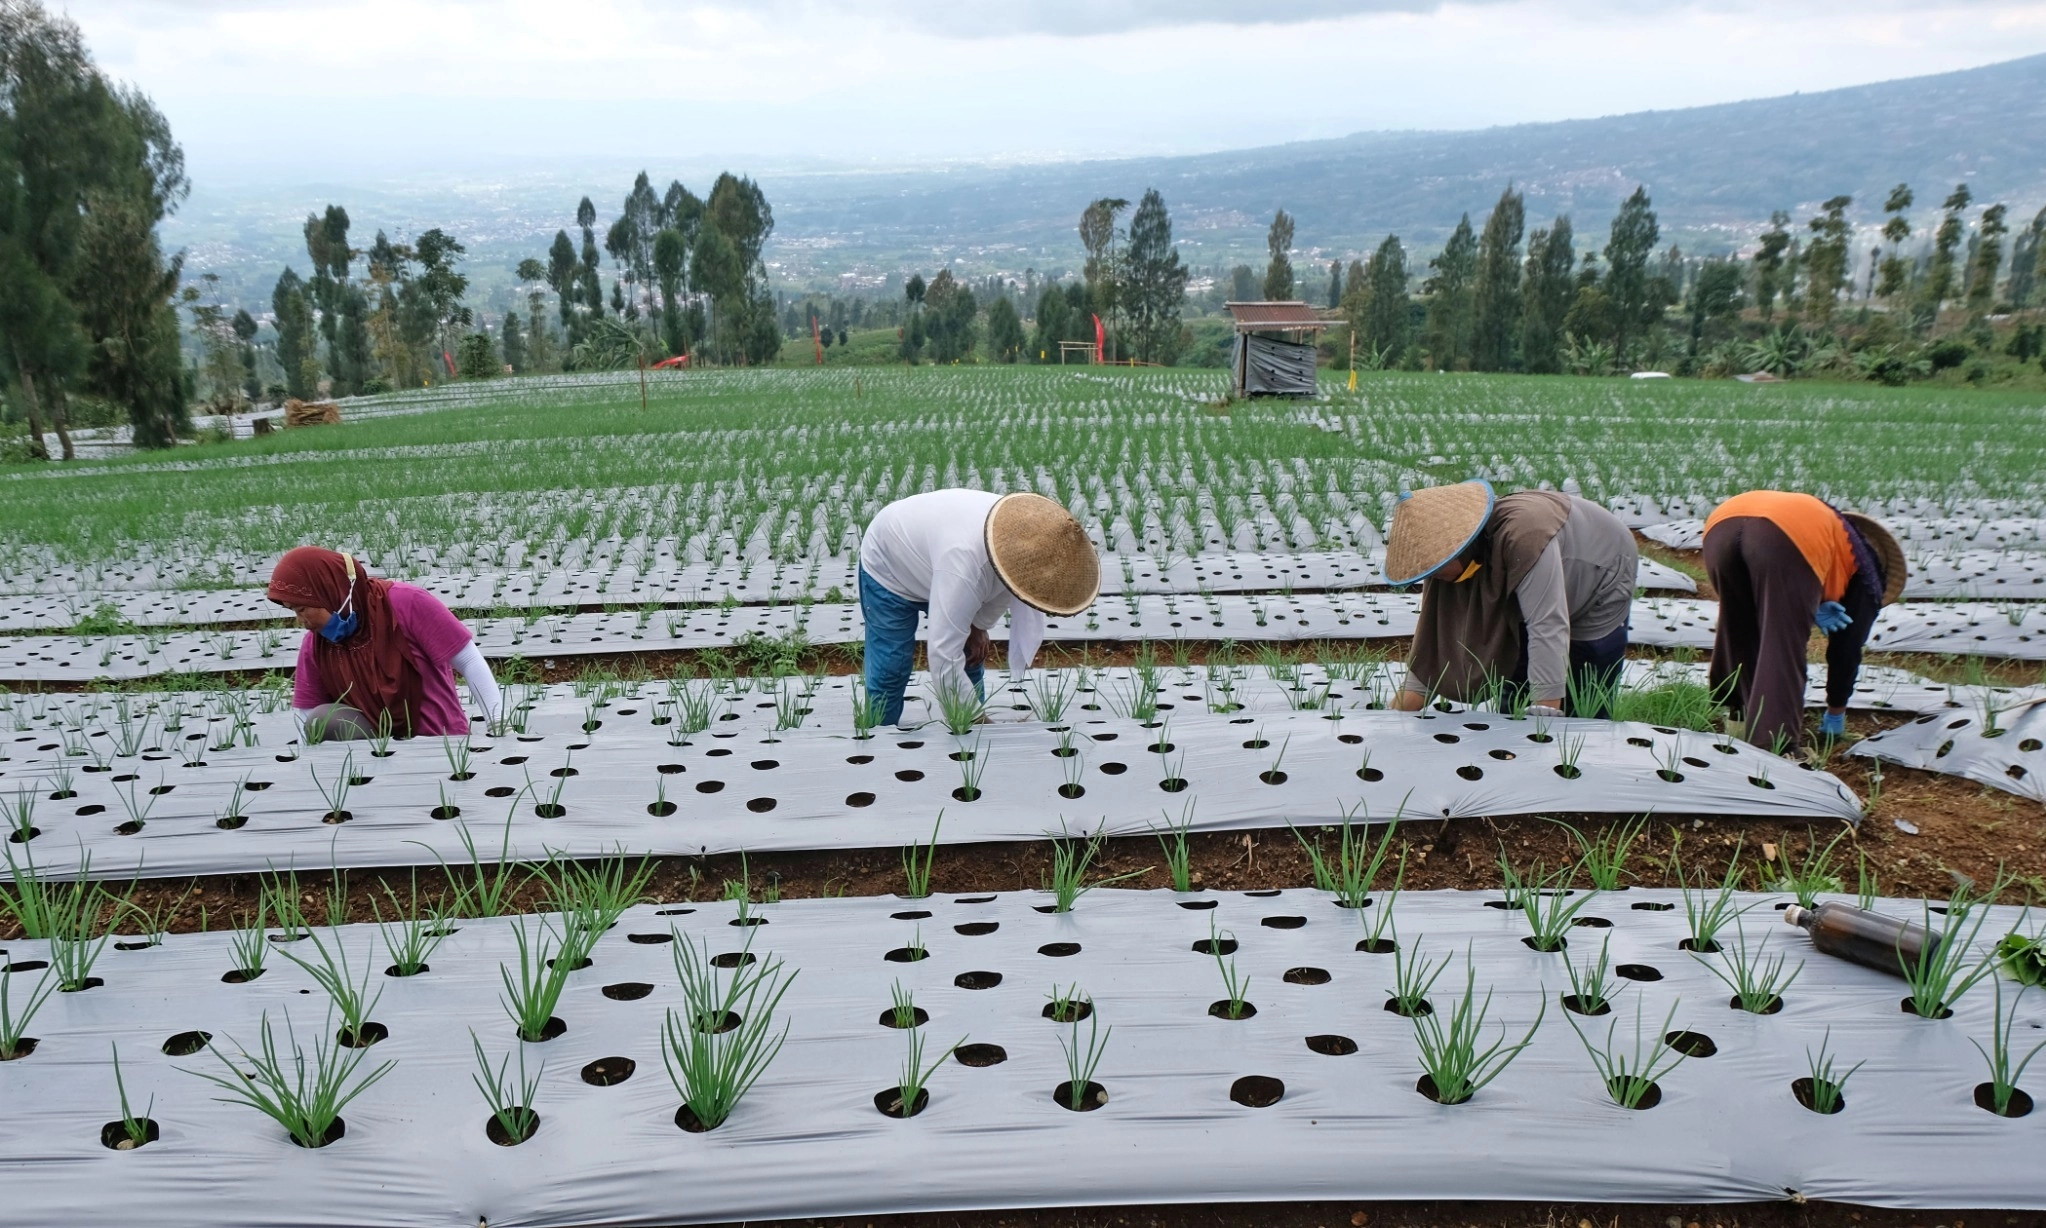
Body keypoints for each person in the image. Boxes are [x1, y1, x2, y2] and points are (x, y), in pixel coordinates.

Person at [1386, 479, 1638, 716]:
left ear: (1459, 549)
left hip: (1601, 567)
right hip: (1535, 567)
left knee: (1584, 685)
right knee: (1516, 687)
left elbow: (1547, 624)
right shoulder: (1446, 565)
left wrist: (1543, 724)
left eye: (1435, 570)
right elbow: (1436, 646)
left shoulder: (1524, 539)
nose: (1431, 577)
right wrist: (1387, 721)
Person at [858, 489, 1099, 729]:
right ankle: (879, 740)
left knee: (971, 652)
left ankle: (970, 736)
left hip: (940, 556)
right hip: (890, 565)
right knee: (891, 667)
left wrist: (979, 626)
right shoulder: (964, 565)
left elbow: (1010, 587)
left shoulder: (1020, 546)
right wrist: (974, 719)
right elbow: (942, 654)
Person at [1701, 491, 1905, 752]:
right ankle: (1777, 746)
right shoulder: (1870, 576)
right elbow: (1847, 648)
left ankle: (1736, 720)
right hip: (1782, 535)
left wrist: (1811, 602)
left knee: (1739, 625)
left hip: (1722, 522)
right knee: (1781, 641)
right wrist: (1836, 711)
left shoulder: (1838, 536)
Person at [266, 546, 502, 740]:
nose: (301, 621)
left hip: (440, 739)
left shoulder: (406, 603)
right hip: (379, 752)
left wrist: (499, 726)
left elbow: (469, 661)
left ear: (330, 592)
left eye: (302, 609)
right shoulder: (316, 644)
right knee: (323, 720)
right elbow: (306, 712)